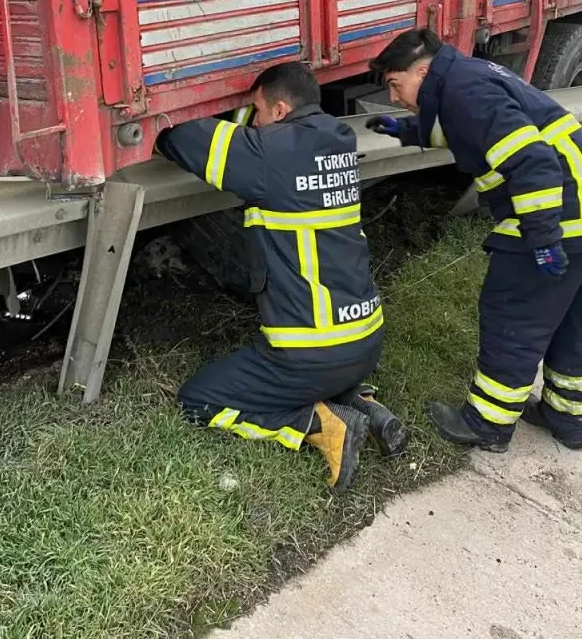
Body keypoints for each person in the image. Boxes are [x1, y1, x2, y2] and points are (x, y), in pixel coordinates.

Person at [367, 29, 582, 452]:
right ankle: (568, 416)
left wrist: (542, 240)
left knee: (513, 312)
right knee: (567, 316)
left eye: (395, 85)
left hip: (563, 211)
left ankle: (487, 422)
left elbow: (533, 163)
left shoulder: (465, 91)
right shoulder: (466, 81)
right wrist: (407, 131)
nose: (393, 97)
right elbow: (473, 132)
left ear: (423, 71)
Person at [156, 62, 407, 492]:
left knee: (196, 400)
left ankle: (319, 424)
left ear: (277, 111)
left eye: (255, 111)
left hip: (310, 354)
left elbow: (175, 134)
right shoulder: (339, 142)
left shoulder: (269, 155)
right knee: (323, 370)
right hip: (366, 342)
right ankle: (363, 406)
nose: (252, 122)